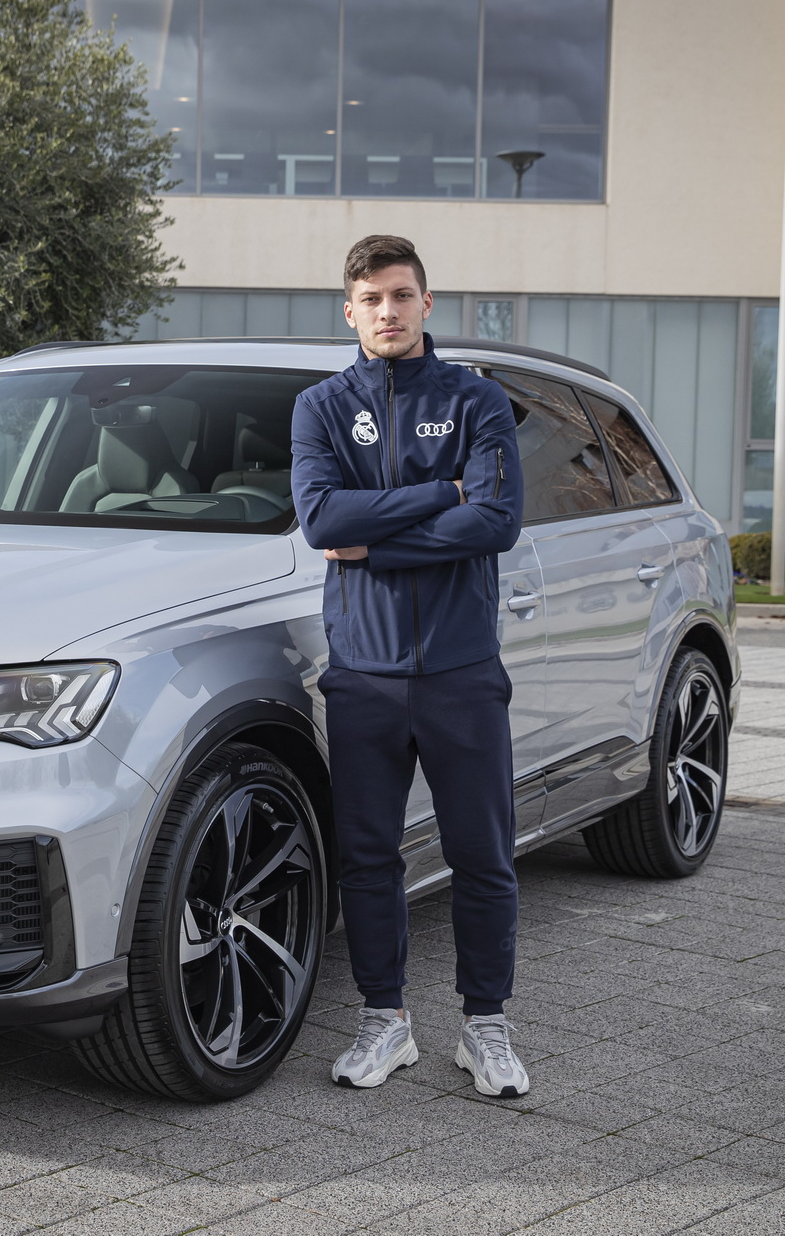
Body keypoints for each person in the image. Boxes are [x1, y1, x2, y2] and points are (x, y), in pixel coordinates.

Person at [289, 234, 529, 1096]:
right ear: (348, 312)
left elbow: (496, 520)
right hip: (364, 673)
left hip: (462, 671)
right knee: (367, 857)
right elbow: (322, 521)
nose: (386, 312)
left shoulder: (476, 400)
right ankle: (384, 1022)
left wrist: (377, 544)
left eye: (400, 295)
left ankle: (486, 1027)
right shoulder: (320, 408)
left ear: (427, 303)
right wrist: (441, 494)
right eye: (371, 299)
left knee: (483, 855)